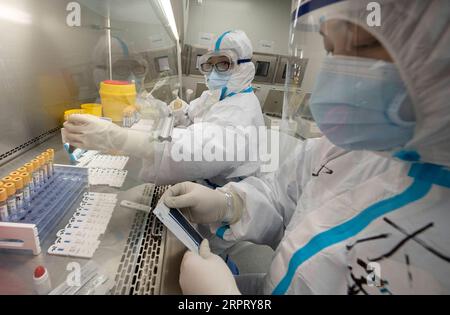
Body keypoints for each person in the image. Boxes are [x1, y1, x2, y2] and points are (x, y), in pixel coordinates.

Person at [163, 0, 450, 295]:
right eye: (330, 49)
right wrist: (228, 204)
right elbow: (280, 197)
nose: (337, 72)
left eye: (361, 47)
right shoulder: (348, 147)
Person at [62, 30, 265, 186]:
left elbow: (199, 149)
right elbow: (193, 116)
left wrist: (118, 137)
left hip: (221, 205)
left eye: (223, 64)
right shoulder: (221, 96)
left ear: (244, 66)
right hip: (207, 184)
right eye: (209, 64)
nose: (213, 72)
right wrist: (173, 110)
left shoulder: (241, 110)